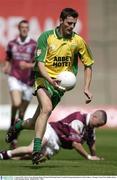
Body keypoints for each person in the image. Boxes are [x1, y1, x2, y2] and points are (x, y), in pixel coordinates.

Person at [6, 8, 94, 164]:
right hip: (43, 78)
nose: (71, 27)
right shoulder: (46, 37)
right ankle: (37, 150)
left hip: (59, 87)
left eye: (74, 24)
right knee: (46, 109)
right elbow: (39, 64)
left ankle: (17, 126)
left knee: (35, 122)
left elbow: (88, 64)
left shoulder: (78, 41)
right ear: (60, 21)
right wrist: (50, 79)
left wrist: (86, 87)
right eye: (68, 23)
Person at [0, 110, 107, 162]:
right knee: (31, 149)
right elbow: (75, 144)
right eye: (98, 124)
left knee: (35, 157)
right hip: (51, 131)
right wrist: (88, 157)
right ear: (94, 117)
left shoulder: (90, 127)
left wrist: (94, 155)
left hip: (57, 144)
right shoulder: (78, 120)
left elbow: (92, 142)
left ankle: (11, 158)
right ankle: (4, 154)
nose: (97, 126)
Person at [2, 20, 36, 148]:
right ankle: (12, 122)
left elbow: (39, 64)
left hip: (28, 81)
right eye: (22, 27)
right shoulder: (12, 44)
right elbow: (8, 57)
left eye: (26, 27)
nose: (24, 29)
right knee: (16, 103)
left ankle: (14, 138)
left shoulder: (34, 45)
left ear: (28, 29)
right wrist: (6, 66)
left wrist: (28, 65)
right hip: (15, 77)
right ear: (18, 28)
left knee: (22, 114)